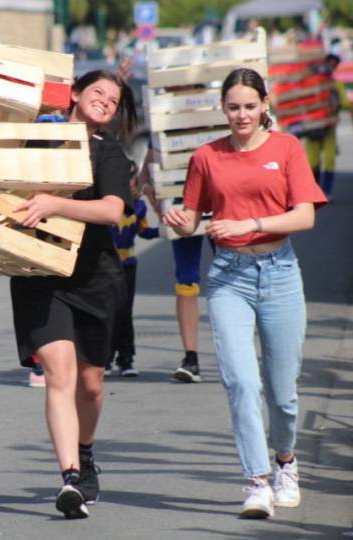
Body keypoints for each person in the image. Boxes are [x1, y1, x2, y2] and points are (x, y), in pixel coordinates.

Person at [162, 67, 326, 519]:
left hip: (280, 273)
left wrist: (249, 224)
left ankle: (285, 463)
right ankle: (256, 481)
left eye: (250, 106)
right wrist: (180, 220)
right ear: (223, 109)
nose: (241, 115)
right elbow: (193, 218)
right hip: (229, 277)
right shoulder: (206, 157)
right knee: (240, 381)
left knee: (282, 393)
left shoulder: (287, 148)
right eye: (233, 107)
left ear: (264, 105)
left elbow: (305, 216)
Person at [10, 69, 137, 519]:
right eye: (97, 92)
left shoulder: (109, 153)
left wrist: (55, 203)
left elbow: (111, 211)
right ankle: (68, 479)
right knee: (60, 373)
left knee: (91, 383)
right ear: (75, 94)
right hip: (39, 273)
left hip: (95, 277)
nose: (105, 101)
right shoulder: (34, 142)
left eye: (114, 99)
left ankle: (84, 452)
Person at [138, 149, 211, 383]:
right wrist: (153, 192)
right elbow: (145, 175)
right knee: (186, 279)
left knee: (236, 277)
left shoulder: (221, 120)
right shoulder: (165, 122)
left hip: (222, 207)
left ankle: (240, 355)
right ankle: (191, 359)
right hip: (182, 205)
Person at [106, 172, 159, 377]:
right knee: (107, 312)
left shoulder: (138, 207)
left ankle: (126, 359)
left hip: (128, 264)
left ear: (135, 181)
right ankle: (105, 358)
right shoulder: (104, 203)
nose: (126, 182)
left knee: (125, 312)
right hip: (106, 265)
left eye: (130, 177)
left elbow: (144, 232)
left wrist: (166, 230)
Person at [302, 53, 351, 198]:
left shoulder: (336, 84)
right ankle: (315, 190)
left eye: (334, 65)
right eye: (330, 64)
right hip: (312, 127)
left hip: (329, 127)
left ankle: (326, 191)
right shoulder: (311, 83)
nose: (331, 67)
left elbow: (345, 102)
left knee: (329, 159)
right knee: (313, 161)